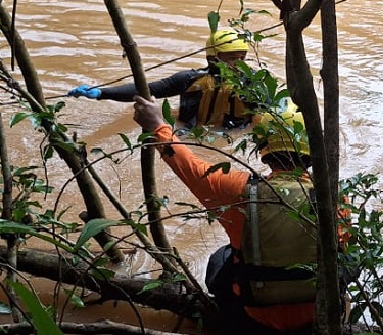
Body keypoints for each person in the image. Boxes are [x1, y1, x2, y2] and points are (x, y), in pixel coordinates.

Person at [132, 95, 319, 335]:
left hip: (255, 315)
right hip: (316, 314)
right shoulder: (335, 198)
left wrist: (159, 125)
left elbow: (188, 165)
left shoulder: (238, 190)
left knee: (222, 258)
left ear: (262, 145)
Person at [68, 28, 253, 129]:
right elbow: (148, 89)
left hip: (234, 133)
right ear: (213, 58)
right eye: (232, 58)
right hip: (190, 133)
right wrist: (102, 92)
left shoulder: (252, 83)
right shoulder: (189, 79)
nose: (239, 64)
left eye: (242, 58)